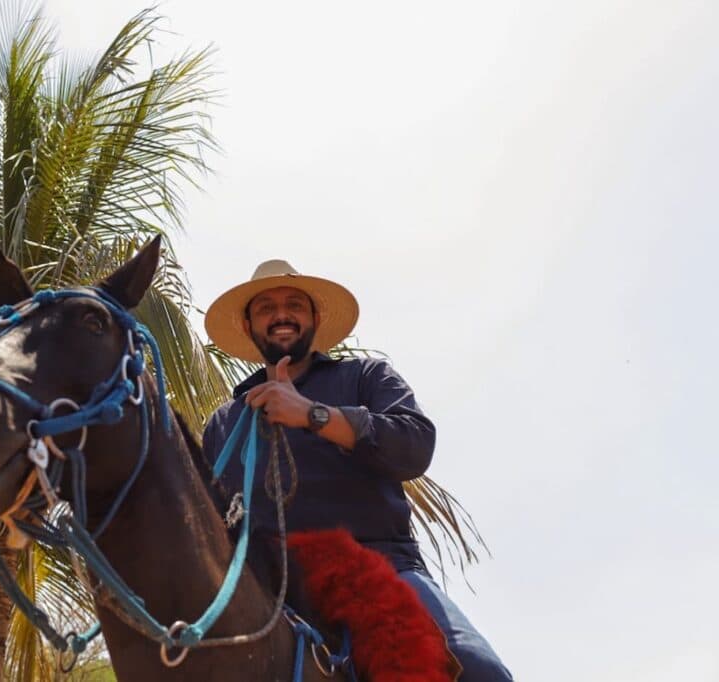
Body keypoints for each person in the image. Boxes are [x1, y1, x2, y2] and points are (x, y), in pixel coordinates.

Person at [201, 259, 513, 681]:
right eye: (266, 308)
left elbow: (415, 445)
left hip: (380, 564)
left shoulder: (365, 376)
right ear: (248, 325)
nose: (281, 315)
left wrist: (312, 414)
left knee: (480, 672)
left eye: (294, 304)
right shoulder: (224, 422)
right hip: (266, 588)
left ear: (313, 318)